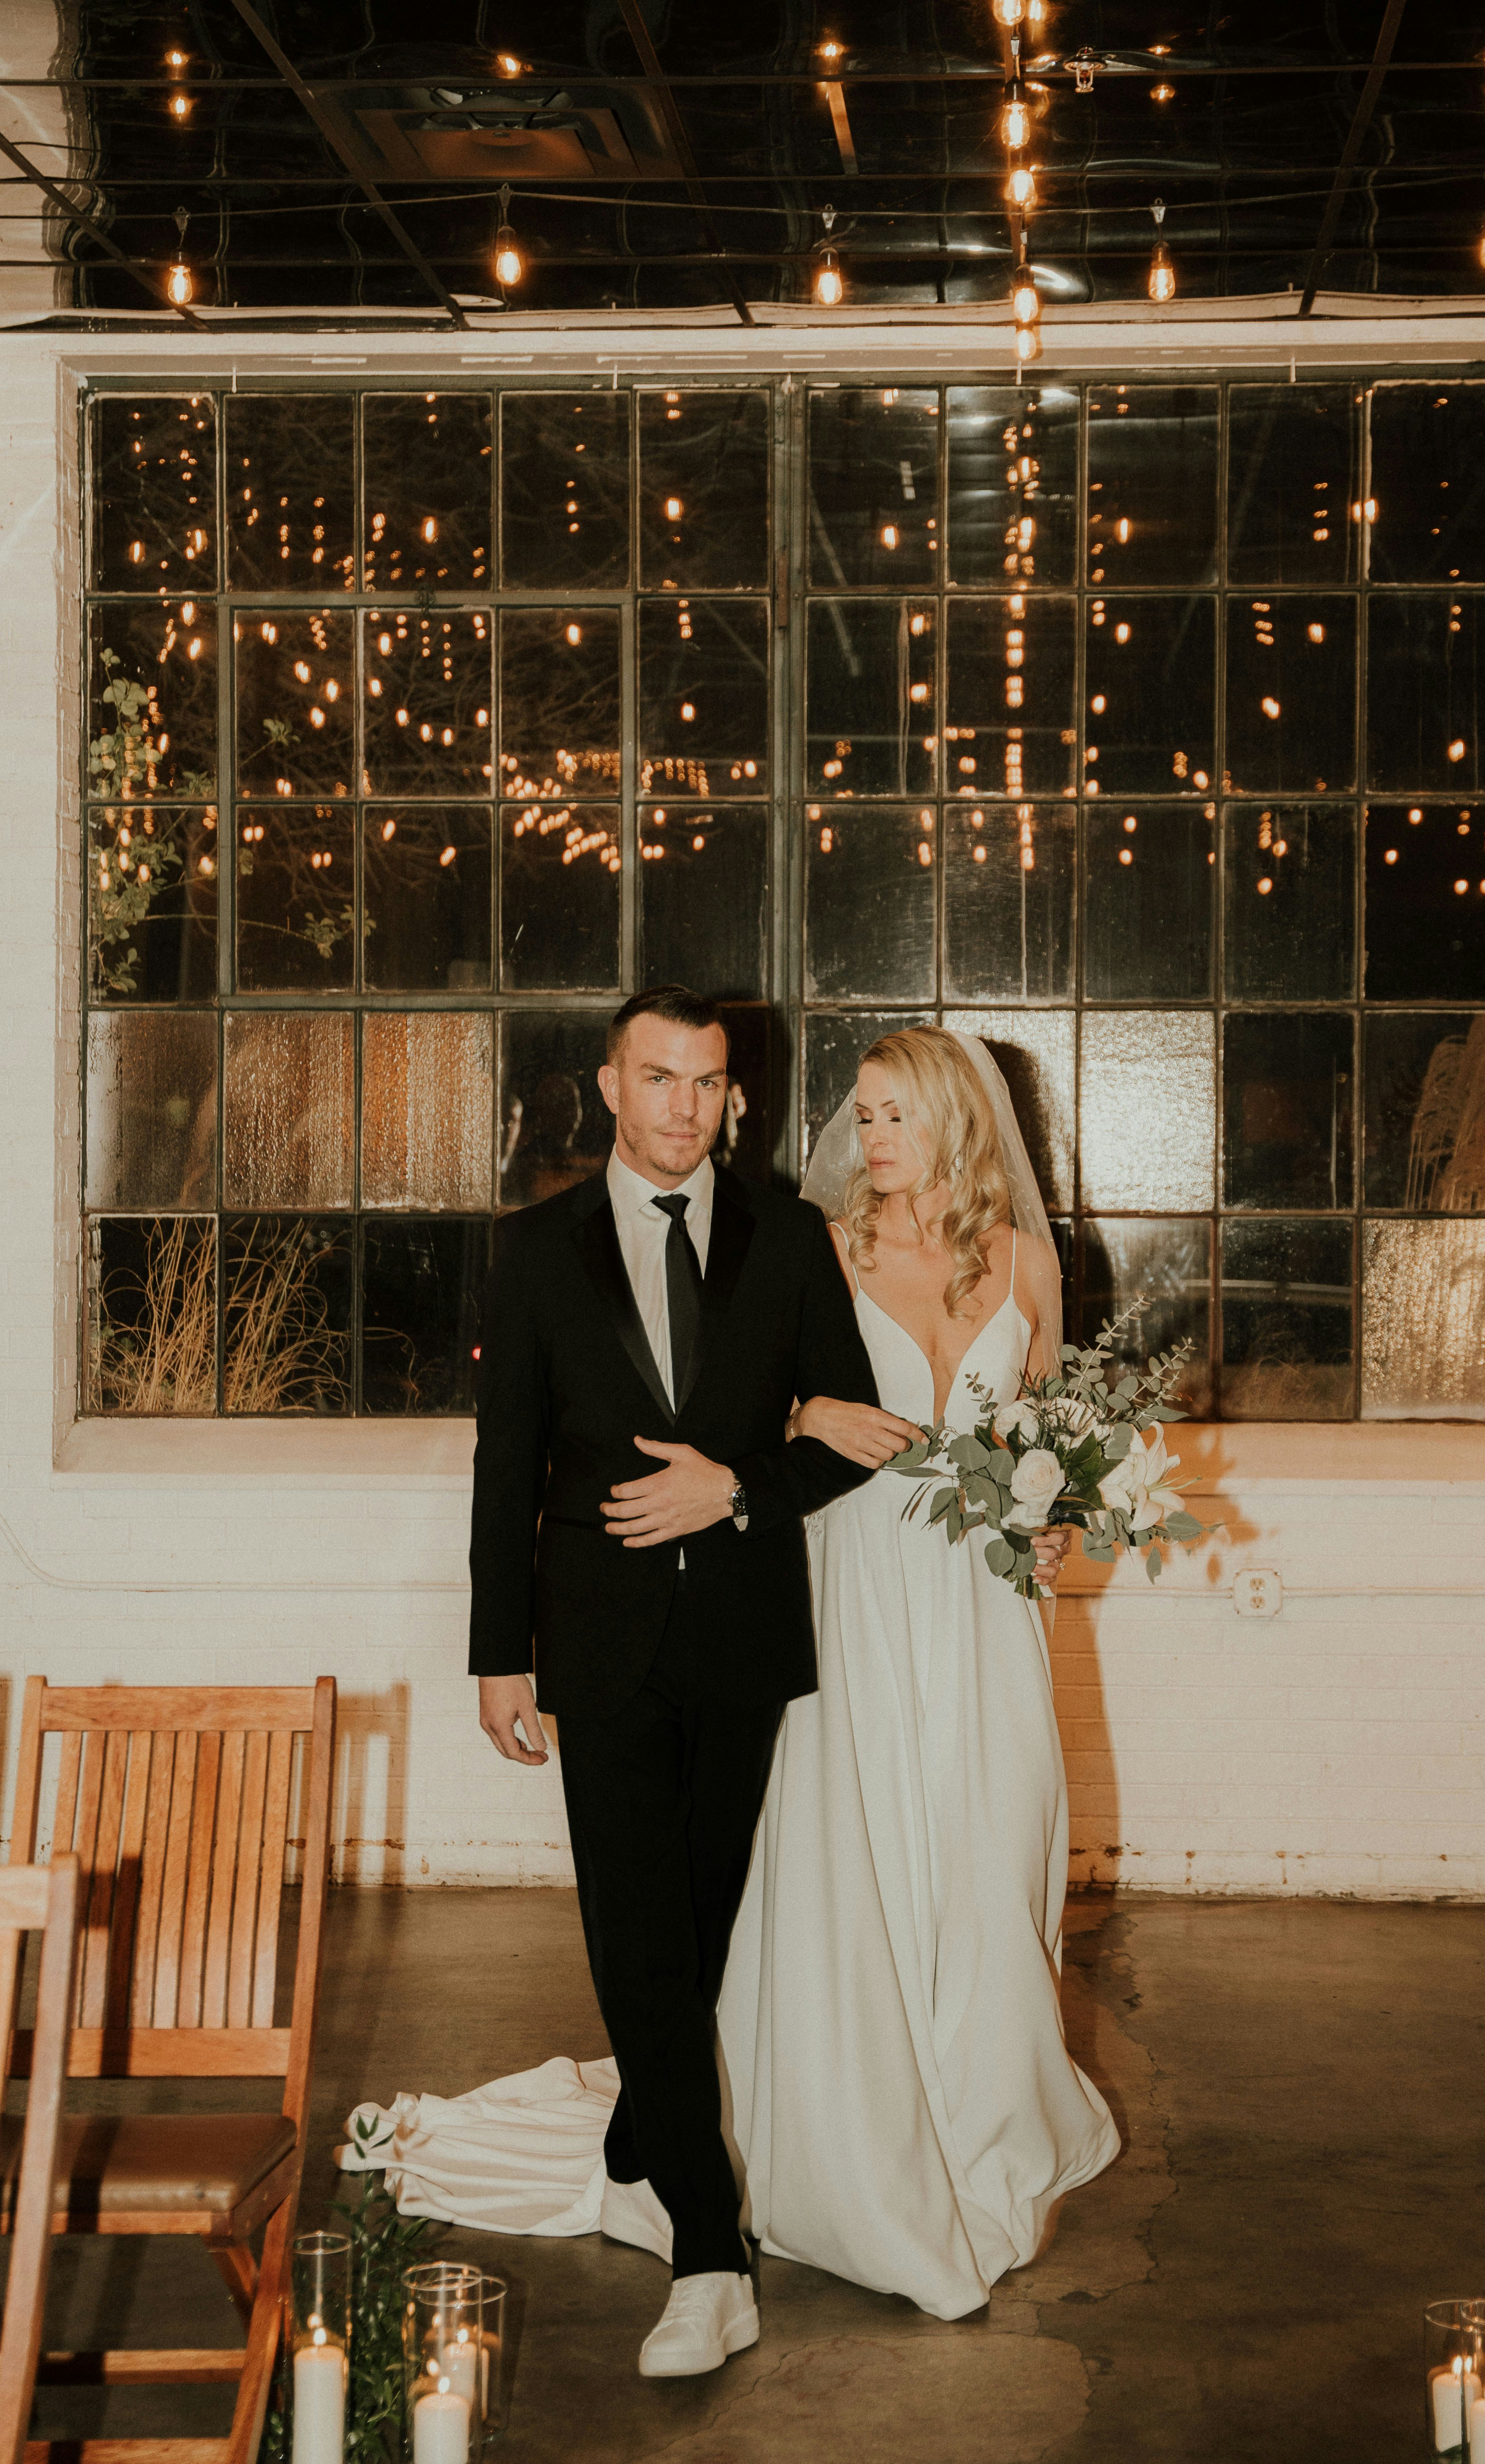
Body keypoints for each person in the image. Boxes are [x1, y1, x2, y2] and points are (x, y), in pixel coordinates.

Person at [467, 983, 879, 2379]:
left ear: (733, 1097)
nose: (682, 1107)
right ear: (609, 1082)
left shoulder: (792, 1239)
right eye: (658, 1079)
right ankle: (712, 2252)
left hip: (745, 1634)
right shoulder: (535, 1252)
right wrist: (497, 1650)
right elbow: (506, 1462)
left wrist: (736, 1490)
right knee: (634, 1922)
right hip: (596, 1640)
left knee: (695, 1917)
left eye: (706, 1084)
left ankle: (645, 2133)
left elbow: (848, 1433)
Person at [716, 1024, 1121, 2318]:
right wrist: (806, 1413)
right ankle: (858, 2126)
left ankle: (986, 2104)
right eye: (861, 1113)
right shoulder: (822, 1250)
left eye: (892, 1114)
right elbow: (736, 1412)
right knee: (868, 1839)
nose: (866, 1137)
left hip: (988, 1600)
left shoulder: (1022, 1263)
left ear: (954, 1120)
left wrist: (1063, 1511)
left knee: (990, 1839)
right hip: (858, 1580)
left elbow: (1051, 1430)